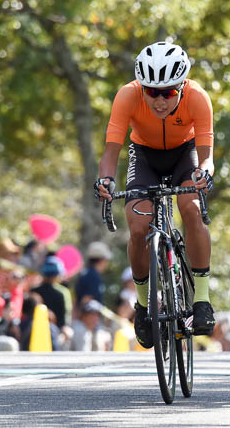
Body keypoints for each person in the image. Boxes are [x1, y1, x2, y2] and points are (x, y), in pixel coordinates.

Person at [94, 40, 216, 349]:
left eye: (169, 93)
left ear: (182, 86)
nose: (159, 101)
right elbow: (110, 151)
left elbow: (206, 155)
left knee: (189, 207)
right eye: (152, 92)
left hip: (184, 155)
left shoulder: (198, 98)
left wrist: (205, 173)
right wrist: (105, 180)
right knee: (137, 225)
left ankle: (201, 300)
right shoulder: (127, 96)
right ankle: (142, 307)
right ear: (141, 87)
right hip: (145, 156)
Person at [75, 241, 111, 307]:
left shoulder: (86, 272)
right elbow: (86, 299)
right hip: (87, 316)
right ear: (101, 260)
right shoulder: (93, 276)